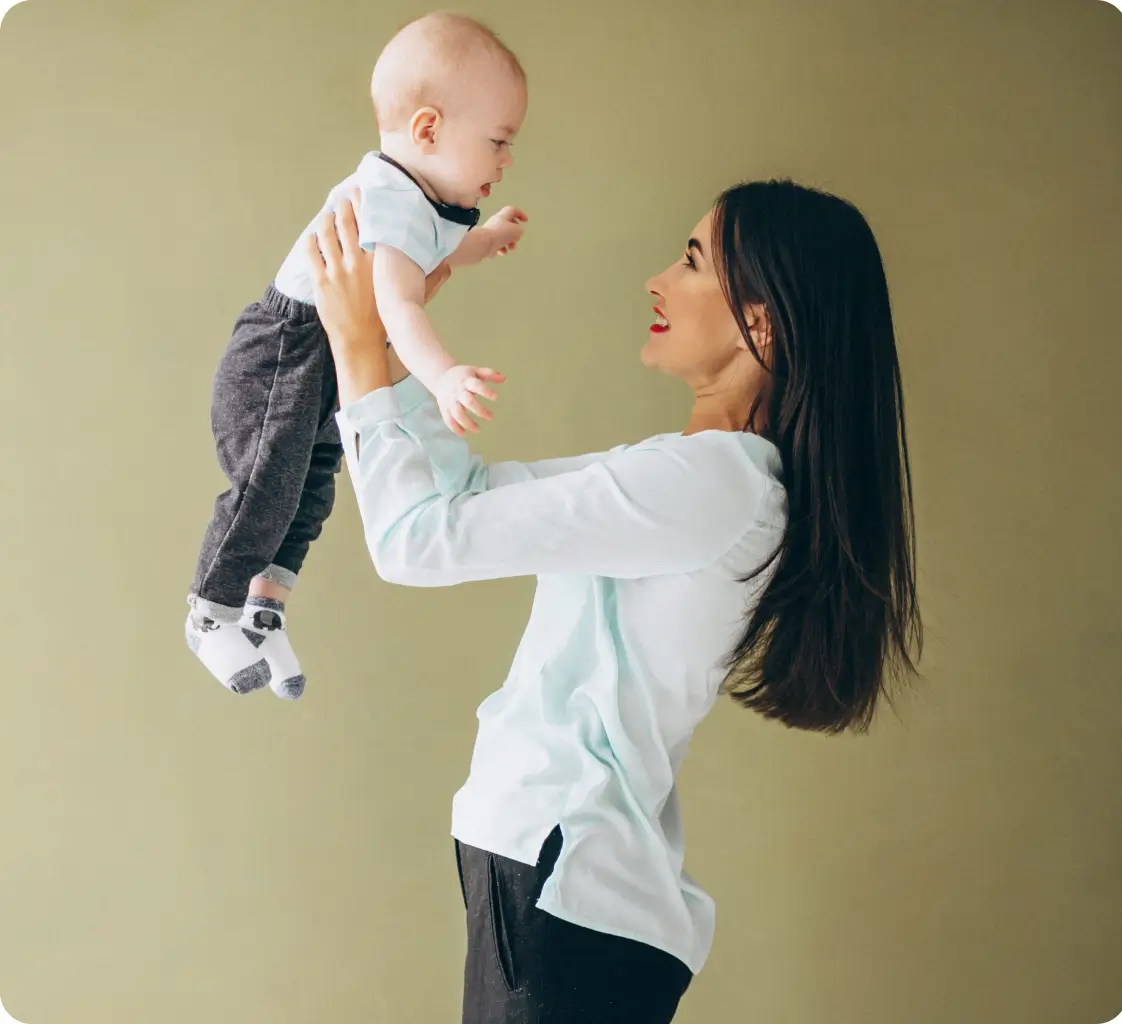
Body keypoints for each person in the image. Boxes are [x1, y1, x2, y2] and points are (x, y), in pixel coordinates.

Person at [303, 178, 923, 1023]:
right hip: (564, 883)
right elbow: (464, 501)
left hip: (565, 881)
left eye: (694, 261)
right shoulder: (698, 474)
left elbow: (415, 542)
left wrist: (358, 345)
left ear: (763, 324)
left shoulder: (715, 485)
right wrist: (397, 350)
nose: (658, 280)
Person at [185, 12, 528, 700]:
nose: (506, 159)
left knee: (312, 483)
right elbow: (398, 308)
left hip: (320, 352)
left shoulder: (418, 198)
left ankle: (264, 608)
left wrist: (485, 239)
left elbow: (440, 248)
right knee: (267, 483)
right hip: (285, 350)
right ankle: (210, 609)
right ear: (428, 129)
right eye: (498, 141)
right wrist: (443, 376)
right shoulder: (386, 200)